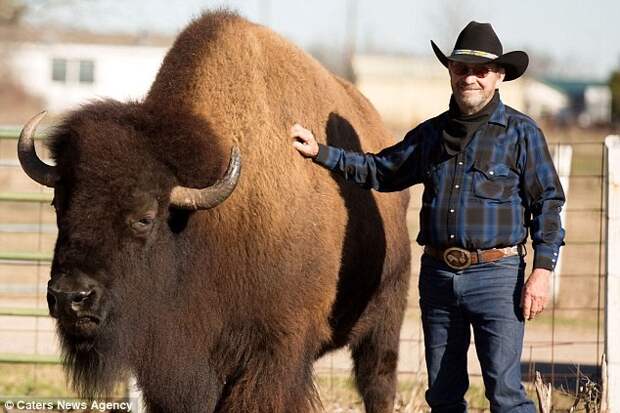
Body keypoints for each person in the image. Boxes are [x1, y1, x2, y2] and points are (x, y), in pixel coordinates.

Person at [290, 21, 565, 413]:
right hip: (438, 279)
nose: (470, 77)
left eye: (480, 70)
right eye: (461, 68)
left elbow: (549, 202)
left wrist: (542, 270)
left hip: (497, 278)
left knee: (505, 395)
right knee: (443, 397)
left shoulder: (521, 134)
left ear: (499, 76)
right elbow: (380, 170)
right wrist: (321, 151)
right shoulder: (431, 135)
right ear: (451, 71)